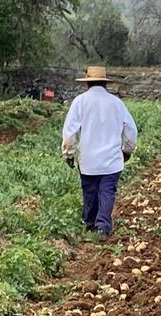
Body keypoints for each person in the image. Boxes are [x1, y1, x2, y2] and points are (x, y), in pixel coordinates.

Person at [61, 66, 138, 237]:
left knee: (89, 190)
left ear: (87, 83)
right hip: (111, 160)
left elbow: (69, 132)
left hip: (88, 159)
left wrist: (69, 153)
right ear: (105, 83)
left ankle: (89, 224)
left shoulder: (80, 102)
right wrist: (127, 150)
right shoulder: (117, 103)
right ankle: (103, 226)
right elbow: (131, 130)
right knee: (107, 191)